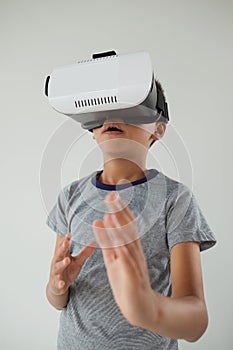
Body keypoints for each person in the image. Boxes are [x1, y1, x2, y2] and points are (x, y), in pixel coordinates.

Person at [46, 80, 216, 350]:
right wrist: (58, 288)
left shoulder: (175, 199)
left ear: (158, 129)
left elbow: (196, 320)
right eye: (102, 108)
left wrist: (147, 307)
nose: (112, 115)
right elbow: (57, 298)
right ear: (92, 129)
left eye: (129, 105)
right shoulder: (70, 196)